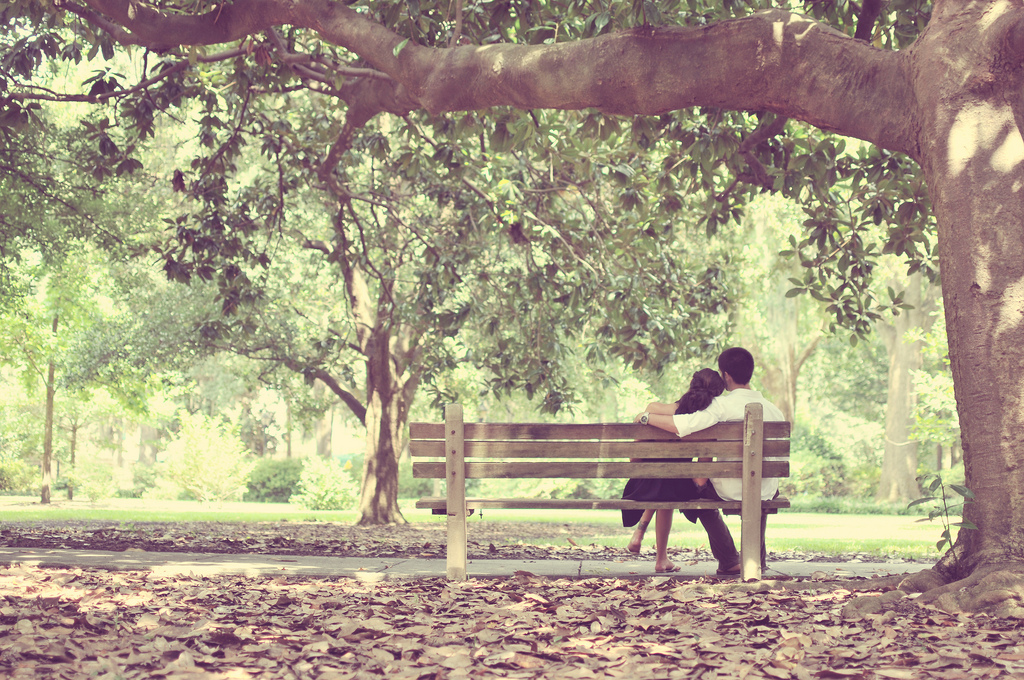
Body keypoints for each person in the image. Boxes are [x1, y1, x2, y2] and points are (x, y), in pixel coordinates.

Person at [631, 347, 786, 574]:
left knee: (698, 495)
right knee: (759, 492)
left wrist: (645, 416)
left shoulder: (721, 406)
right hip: (765, 490)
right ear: (749, 373)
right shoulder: (774, 410)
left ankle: (729, 559)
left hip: (729, 489)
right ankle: (757, 561)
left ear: (726, 376)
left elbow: (682, 426)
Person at [621, 368, 727, 573]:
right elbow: (702, 471)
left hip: (644, 483)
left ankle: (643, 537)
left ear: (691, 384)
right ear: (716, 395)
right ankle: (661, 559)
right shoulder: (708, 423)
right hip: (678, 484)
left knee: (662, 478)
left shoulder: (653, 409)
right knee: (669, 481)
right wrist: (696, 485)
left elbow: (634, 456)